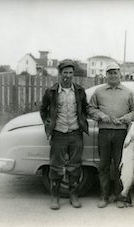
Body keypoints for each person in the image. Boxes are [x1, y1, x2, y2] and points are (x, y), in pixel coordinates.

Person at [40, 59, 89, 210]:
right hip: (58, 134)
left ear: (74, 74)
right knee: (56, 167)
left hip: (75, 134)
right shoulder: (51, 92)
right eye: (65, 73)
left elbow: (85, 110)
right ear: (59, 74)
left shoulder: (80, 91)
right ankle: (55, 197)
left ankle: (74, 196)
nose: (68, 76)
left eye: (70, 73)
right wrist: (48, 124)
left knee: (75, 166)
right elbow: (43, 110)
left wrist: (82, 123)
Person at [89, 62, 134, 208]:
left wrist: (126, 118)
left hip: (121, 134)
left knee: (120, 166)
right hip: (104, 132)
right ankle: (104, 196)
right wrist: (101, 115)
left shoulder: (128, 92)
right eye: (110, 73)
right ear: (106, 75)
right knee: (104, 165)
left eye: (115, 73)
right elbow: (91, 109)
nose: (112, 75)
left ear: (120, 74)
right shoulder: (99, 91)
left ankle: (120, 197)